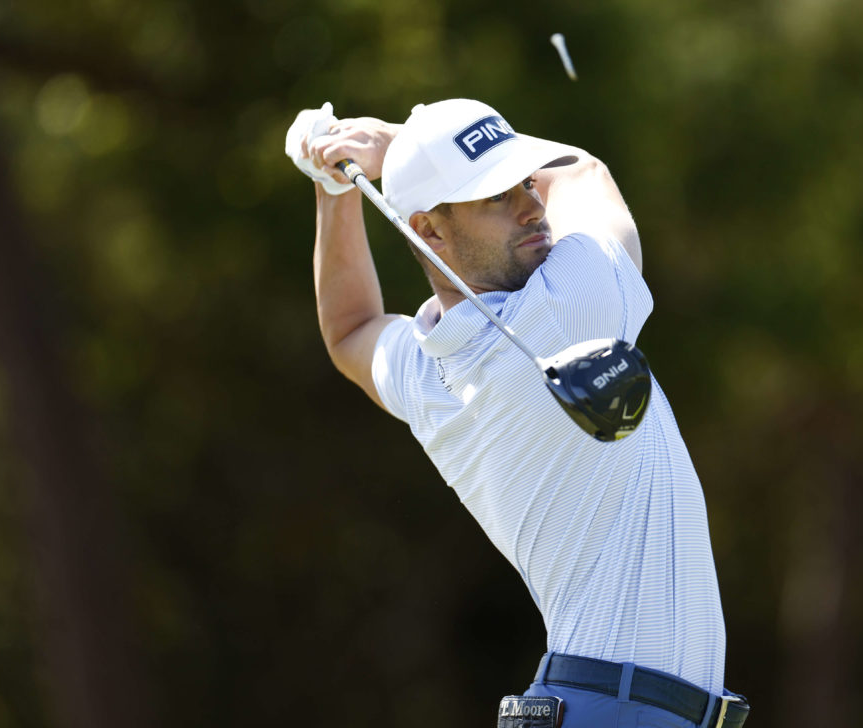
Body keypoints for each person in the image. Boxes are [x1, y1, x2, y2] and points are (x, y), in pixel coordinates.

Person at [285, 98, 749, 728]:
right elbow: (582, 170)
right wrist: (393, 145)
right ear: (426, 230)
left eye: (525, 182)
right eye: (495, 196)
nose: (532, 206)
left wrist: (334, 189)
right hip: (617, 710)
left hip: (599, 706)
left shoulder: (426, 372)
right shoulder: (568, 307)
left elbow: (351, 329)